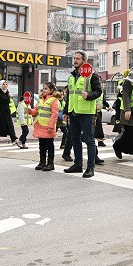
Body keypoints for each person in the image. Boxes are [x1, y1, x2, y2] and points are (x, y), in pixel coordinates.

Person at [63, 50, 102, 178]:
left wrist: (89, 95)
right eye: (74, 58)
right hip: (73, 112)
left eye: (77, 59)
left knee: (90, 140)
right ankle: (78, 165)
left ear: (84, 61)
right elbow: (69, 96)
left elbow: (98, 91)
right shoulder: (72, 76)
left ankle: (90, 168)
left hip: (86, 113)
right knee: (75, 139)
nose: (75, 61)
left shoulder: (92, 76)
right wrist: (66, 112)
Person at [28, 82, 60, 171]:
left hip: (48, 126)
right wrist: (30, 111)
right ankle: (42, 162)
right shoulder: (41, 99)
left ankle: (50, 163)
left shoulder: (53, 100)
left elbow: (54, 114)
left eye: (46, 89)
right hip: (40, 126)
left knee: (49, 145)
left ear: (51, 90)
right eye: (43, 88)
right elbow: (36, 110)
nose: (44, 90)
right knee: (41, 144)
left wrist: (51, 126)